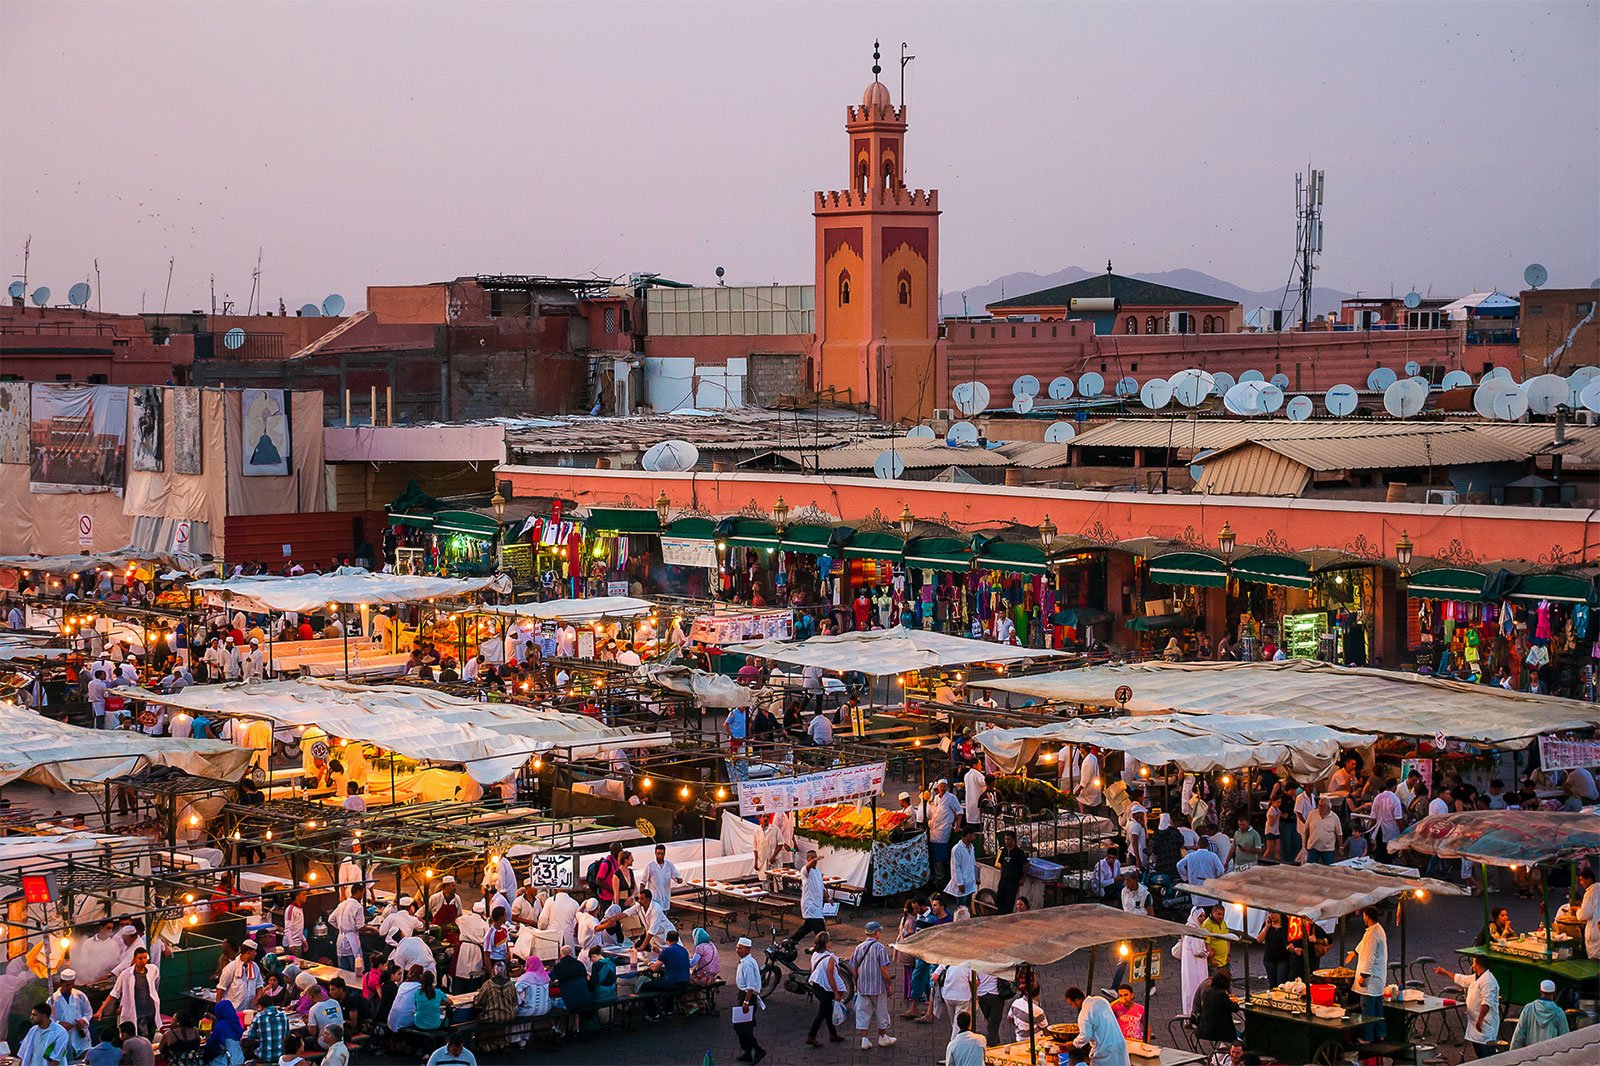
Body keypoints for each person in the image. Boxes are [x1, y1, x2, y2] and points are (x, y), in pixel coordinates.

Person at [1434, 957, 1500, 1059]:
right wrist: (1445, 972)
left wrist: (1480, 1020)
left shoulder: (1488, 981)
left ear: (1478, 964)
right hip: (1475, 1024)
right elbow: (1461, 979)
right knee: (1479, 1053)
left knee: (1487, 1055)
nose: (1472, 966)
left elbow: (1486, 1003)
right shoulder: (1475, 977)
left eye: (1473, 963)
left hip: (1485, 1024)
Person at [849, 919, 895, 1050]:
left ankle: (864, 1039)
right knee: (881, 1011)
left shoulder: (858, 948)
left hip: (863, 986)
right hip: (878, 986)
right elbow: (884, 969)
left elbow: (854, 969)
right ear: (876, 933)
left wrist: (856, 983)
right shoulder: (880, 948)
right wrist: (889, 984)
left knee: (863, 1012)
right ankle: (882, 1037)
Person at [1344, 905, 1388, 1040]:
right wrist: (1354, 952)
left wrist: (1364, 976)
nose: (1363, 918)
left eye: (1363, 916)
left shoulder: (1373, 934)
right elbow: (1363, 944)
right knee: (1377, 1008)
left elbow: (1369, 956)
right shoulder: (1376, 930)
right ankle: (1380, 1034)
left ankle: (1367, 1038)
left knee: (1367, 1009)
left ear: (1367, 917)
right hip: (1378, 979)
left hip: (1371, 980)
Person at [98, 945, 160, 1038]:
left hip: (151, 1011)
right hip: (137, 1013)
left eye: (144, 958)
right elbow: (114, 993)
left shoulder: (153, 969)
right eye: (140, 958)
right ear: (135, 959)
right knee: (141, 1037)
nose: (143, 960)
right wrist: (100, 1010)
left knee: (151, 1037)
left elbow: (154, 983)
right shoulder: (126, 974)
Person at [1066, 987, 1130, 1066]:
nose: (1073, 1007)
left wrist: (1074, 1043)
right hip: (1119, 1045)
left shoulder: (1084, 1014)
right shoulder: (1101, 1000)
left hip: (1104, 1051)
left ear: (1077, 1001)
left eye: (1072, 1004)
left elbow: (1085, 1036)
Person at [638, 928, 692, 1019]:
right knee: (665, 979)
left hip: (673, 983)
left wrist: (649, 963)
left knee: (645, 987)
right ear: (677, 939)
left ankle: (653, 1014)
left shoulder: (667, 951)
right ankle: (668, 1010)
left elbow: (655, 968)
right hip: (685, 982)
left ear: (667, 940)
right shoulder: (684, 950)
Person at [806, 930, 848, 1046]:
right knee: (823, 1012)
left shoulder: (815, 955)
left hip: (816, 985)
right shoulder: (830, 958)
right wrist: (836, 992)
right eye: (829, 941)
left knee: (828, 1011)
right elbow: (831, 976)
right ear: (826, 943)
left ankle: (833, 1034)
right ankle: (811, 1035)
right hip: (825, 988)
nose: (830, 942)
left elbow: (812, 970)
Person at [1509, 978, 1570, 1050]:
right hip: (1550, 1057)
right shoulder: (1559, 1013)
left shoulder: (1528, 1009)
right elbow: (1565, 1038)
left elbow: (1518, 1035)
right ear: (1554, 993)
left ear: (1540, 991)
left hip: (1530, 1055)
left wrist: (1513, 1055)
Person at [733, 936, 766, 1063]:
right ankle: (747, 1052)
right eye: (737, 947)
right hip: (744, 995)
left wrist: (745, 1002)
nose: (737, 950)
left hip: (747, 997)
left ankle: (758, 1049)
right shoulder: (746, 961)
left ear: (747, 949)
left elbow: (751, 986)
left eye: (740, 948)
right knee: (743, 1026)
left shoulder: (747, 963)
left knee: (743, 1027)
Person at [47, 969, 92, 1059]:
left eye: (72, 984)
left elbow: (88, 1012)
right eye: (67, 985)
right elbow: (49, 1019)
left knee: (86, 1058)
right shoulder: (53, 1000)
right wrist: (59, 1024)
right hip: (63, 1037)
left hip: (80, 1036)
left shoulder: (80, 995)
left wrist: (83, 1021)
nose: (70, 987)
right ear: (61, 983)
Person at [926, 779, 963, 885]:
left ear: (946, 787)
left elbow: (959, 812)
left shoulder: (951, 798)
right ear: (937, 788)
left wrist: (957, 826)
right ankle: (936, 875)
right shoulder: (936, 798)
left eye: (944, 786)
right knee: (934, 854)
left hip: (944, 830)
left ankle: (941, 876)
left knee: (940, 854)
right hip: (934, 830)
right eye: (940, 786)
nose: (942, 788)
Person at [1177, 909, 1211, 1019]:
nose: (1202, 919)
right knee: (1196, 989)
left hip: (1191, 965)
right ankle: (1195, 1017)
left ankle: (1189, 1016)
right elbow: (1197, 951)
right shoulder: (1194, 931)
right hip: (1196, 966)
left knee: (1189, 989)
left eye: (1203, 916)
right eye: (1200, 916)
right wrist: (1207, 953)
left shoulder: (1189, 928)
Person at [215, 939, 264, 1010]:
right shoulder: (231, 967)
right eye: (254, 952)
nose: (256, 954)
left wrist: (257, 999)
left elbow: (259, 985)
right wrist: (218, 1008)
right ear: (248, 952)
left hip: (250, 1009)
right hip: (233, 1010)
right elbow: (221, 988)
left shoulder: (255, 967)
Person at [328, 884, 367, 971]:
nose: (362, 896)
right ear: (359, 892)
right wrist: (372, 929)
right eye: (362, 893)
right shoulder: (358, 906)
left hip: (341, 939)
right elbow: (360, 926)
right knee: (355, 970)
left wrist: (341, 927)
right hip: (352, 941)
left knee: (343, 972)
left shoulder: (342, 904)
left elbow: (331, 919)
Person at [244, 991, 290, 1064]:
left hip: (264, 1056)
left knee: (247, 1050)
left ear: (261, 1006)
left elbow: (250, 1037)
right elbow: (287, 1034)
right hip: (281, 1054)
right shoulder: (283, 1015)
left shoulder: (259, 1017)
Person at [1256, 911, 1299, 987]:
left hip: (1283, 959)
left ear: (1279, 914)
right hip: (1269, 959)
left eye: (1274, 913)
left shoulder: (1287, 925)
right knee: (1272, 983)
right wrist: (1266, 927)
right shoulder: (1267, 925)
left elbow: (1291, 940)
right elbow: (1259, 939)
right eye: (1270, 913)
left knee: (1281, 983)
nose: (1272, 915)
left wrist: (1290, 947)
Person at [1178, 840, 1226, 906]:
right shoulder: (1213, 856)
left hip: (1195, 889)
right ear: (1207, 846)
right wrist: (1215, 878)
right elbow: (1221, 870)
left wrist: (1186, 877)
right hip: (1210, 891)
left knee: (1199, 912)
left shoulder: (1190, 856)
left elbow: (1179, 865)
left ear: (1198, 845)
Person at [795, 849, 828, 941]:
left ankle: (791, 941)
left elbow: (821, 886)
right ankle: (822, 947)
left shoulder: (817, 871)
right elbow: (808, 866)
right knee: (821, 931)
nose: (815, 860)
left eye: (815, 857)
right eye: (812, 858)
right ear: (808, 859)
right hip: (810, 905)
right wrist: (816, 859)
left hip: (817, 904)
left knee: (807, 928)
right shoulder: (805, 871)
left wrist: (828, 898)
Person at [1195, 972, 1237, 1043]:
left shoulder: (1207, 991)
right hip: (1219, 1031)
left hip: (1204, 1028)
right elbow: (1234, 1008)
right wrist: (1235, 1002)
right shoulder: (1221, 994)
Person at [995, 830, 1029, 913]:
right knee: (999, 898)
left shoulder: (1019, 852)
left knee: (1009, 901)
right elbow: (1001, 864)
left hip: (1013, 881)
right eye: (1005, 839)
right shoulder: (1004, 851)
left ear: (1013, 840)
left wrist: (1023, 878)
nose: (1007, 841)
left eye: (1009, 839)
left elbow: (1026, 865)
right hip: (1004, 879)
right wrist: (1001, 876)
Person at [644, 843, 683, 915]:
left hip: (665, 897)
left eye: (662, 854)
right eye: (658, 853)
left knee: (664, 919)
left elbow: (676, 876)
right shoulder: (650, 866)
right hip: (655, 898)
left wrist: (678, 880)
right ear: (655, 853)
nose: (660, 856)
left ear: (664, 854)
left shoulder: (669, 865)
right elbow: (643, 882)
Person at [203, 1000, 245, 1066]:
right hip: (239, 1059)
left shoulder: (221, 1025)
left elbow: (212, 1043)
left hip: (225, 1061)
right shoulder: (236, 1022)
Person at [946, 827, 978, 909]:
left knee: (968, 907)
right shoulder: (956, 849)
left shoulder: (971, 847)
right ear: (968, 835)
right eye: (973, 835)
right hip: (962, 883)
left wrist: (977, 877)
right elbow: (955, 867)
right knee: (961, 908)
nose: (975, 837)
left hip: (970, 882)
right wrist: (960, 883)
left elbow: (973, 863)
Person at [1303, 795, 1342, 865]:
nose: (1320, 808)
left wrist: (1341, 846)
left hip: (1328, 849)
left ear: (1328, 808)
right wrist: (1305, 843)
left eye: (1322, 806)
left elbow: (1339, 833)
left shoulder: (1334, 817)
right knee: (1309, 867)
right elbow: (1307, 829)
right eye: (1319, 805)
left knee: (1328, 868)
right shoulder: (1312, 814)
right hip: (1313, 847)